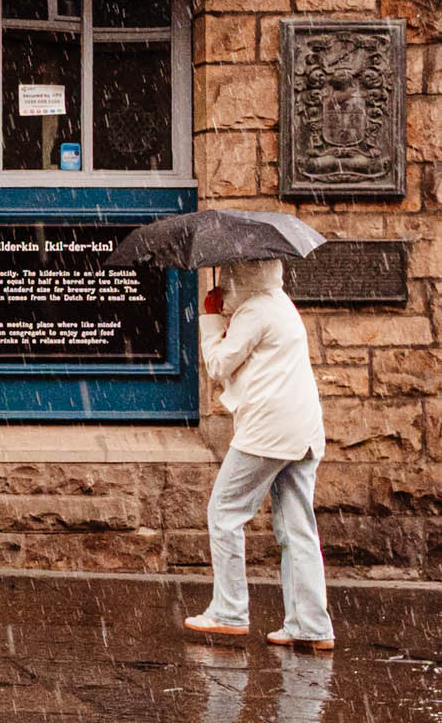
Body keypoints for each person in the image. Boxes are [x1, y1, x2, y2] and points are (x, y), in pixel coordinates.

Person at [184, 258, 333, 651]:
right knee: (298, 527)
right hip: (303, 429)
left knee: (225, 511)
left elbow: (218, 365)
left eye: (231, 272)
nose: (228, 279)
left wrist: (212, 317)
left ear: (242, 275)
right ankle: (311, 625)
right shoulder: (282, 304)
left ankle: (229, 611)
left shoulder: (254, 311)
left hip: (268, 429)